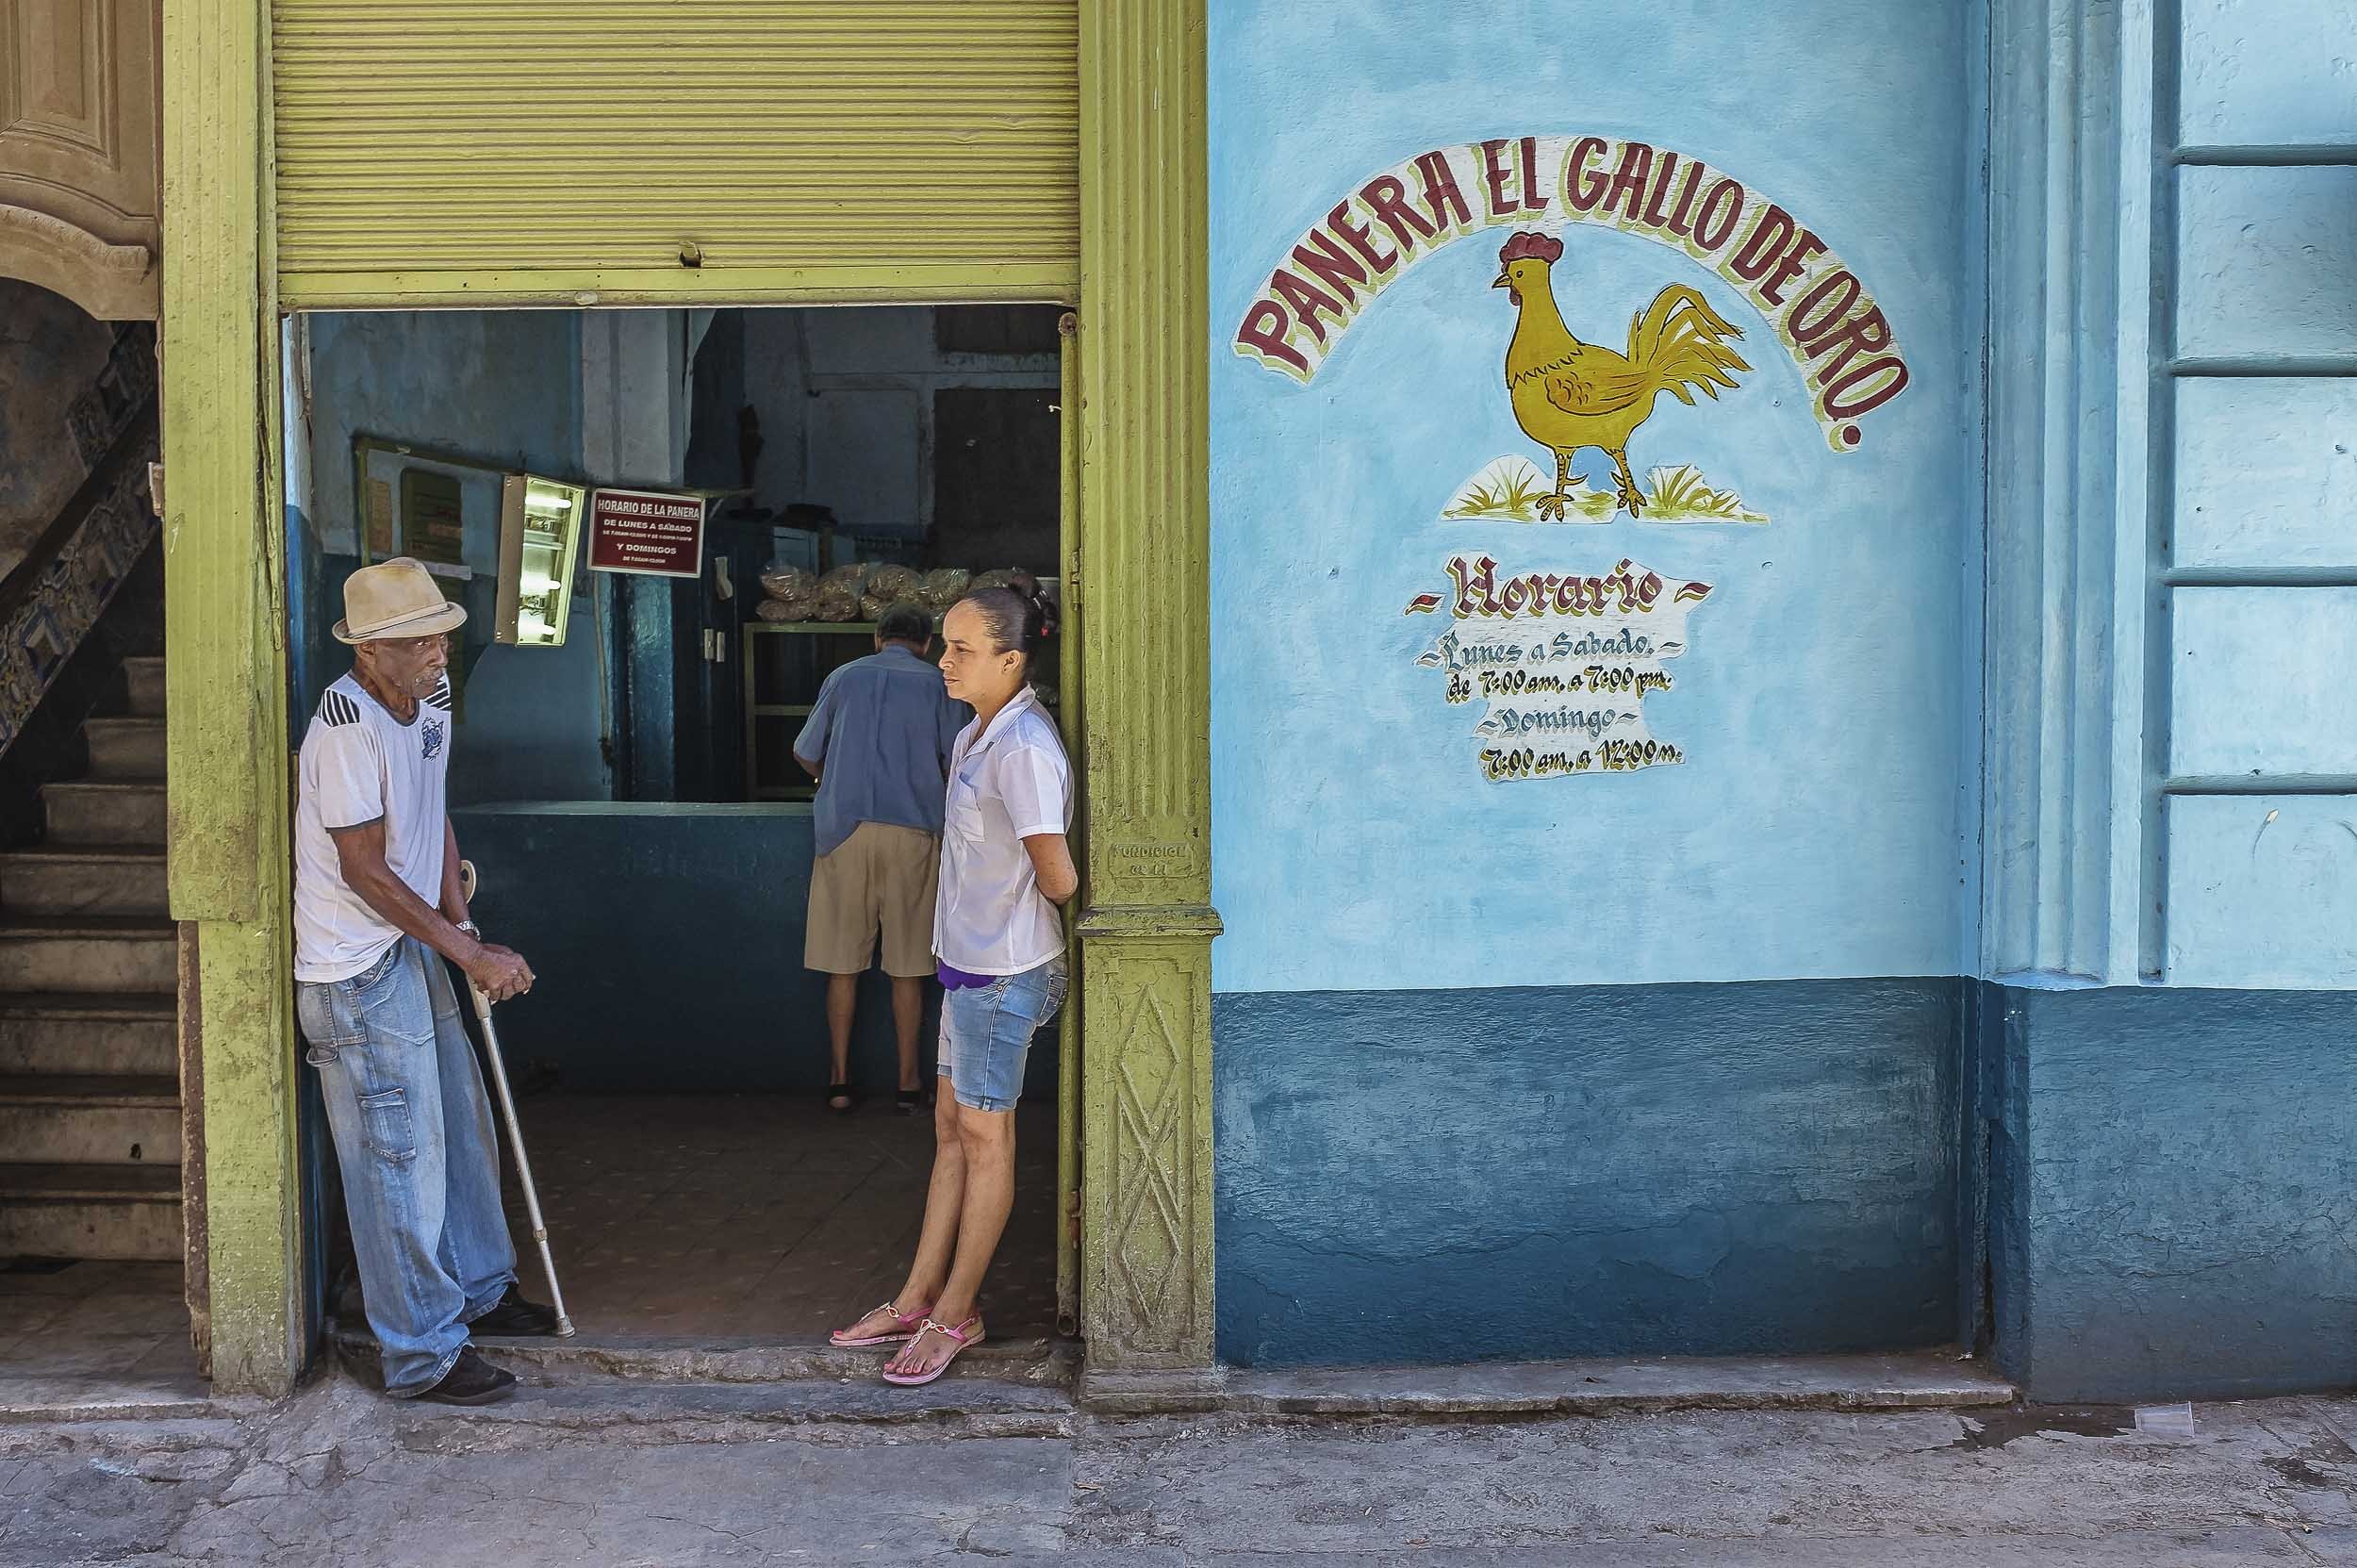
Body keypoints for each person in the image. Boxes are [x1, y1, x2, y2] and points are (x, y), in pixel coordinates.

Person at [291, 557, 562, 1407]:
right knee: (397, 1157)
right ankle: (422, 1352)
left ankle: (478, 1290)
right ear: (372, 650)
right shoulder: (344, 727)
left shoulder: (432, 702)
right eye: (421, 639)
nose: (442, 649)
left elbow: (432, 808)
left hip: (413, 942)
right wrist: (465, 952)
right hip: (357, 967)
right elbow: (366, 869)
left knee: (459, 1119)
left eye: (442, 632)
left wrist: (463, 927)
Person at [829, 572, 1075, 1387]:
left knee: (984, 1138)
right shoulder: (977, 732)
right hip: (965, 970)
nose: (944, 659)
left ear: (1011, 661)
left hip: (1004, 975)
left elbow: (1060, 877)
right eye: (944, 642)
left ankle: (957, 1311)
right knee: (948, 1129)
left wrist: (1009, 919)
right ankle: (916, 1294)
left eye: (964, 649)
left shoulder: (1027, 750)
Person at [793, 601, 970, 1113]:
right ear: (928, 644)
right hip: (914, 834)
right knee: (908, 970)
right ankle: (910, 1085)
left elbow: (805, 750)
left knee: (842, 969)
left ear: (877, 637)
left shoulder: (843, 677)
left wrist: (835, 780)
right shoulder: (938, 683)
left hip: (842, 834)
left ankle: (840, 1082)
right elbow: (955, 758)